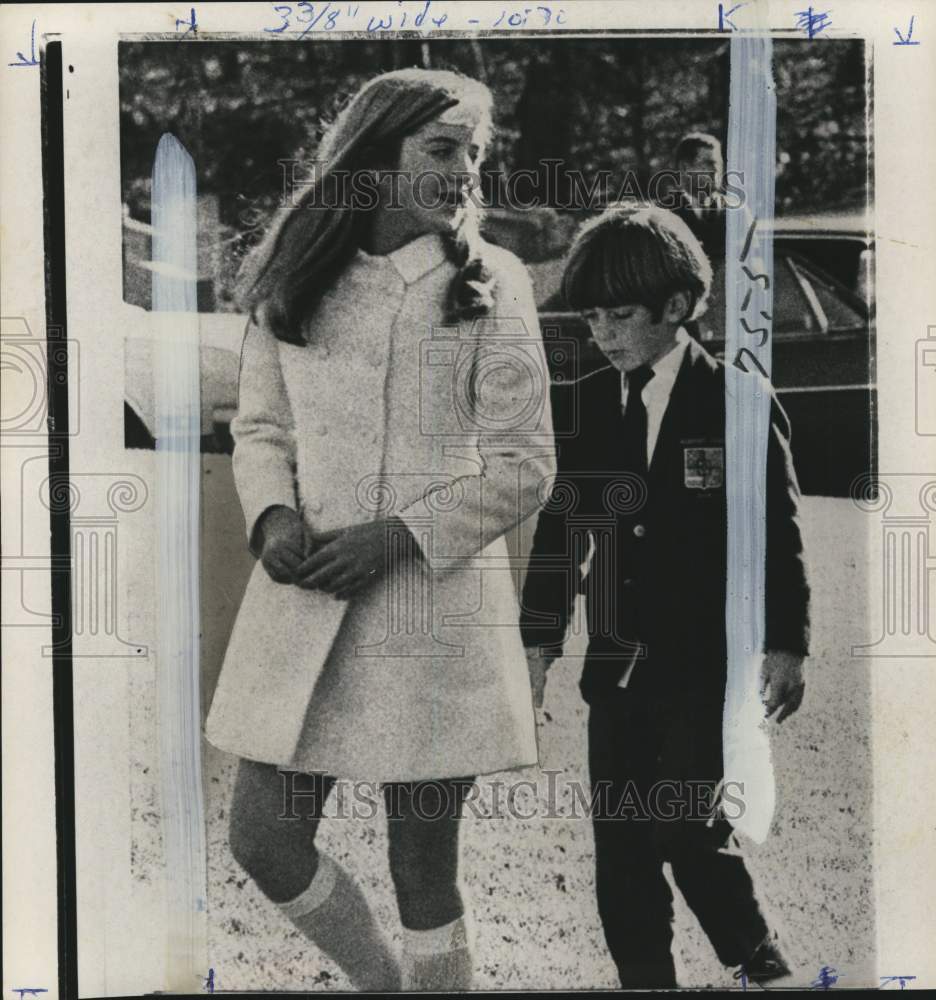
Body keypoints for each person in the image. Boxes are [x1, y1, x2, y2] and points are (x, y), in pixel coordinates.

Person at [204, 67, 556, 992]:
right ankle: (384, 985)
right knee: (263, 837)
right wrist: (272, 513)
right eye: (441, 150)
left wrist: (397, 537)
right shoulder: (295, 274)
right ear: (372, 155)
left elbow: (526, 466)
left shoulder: (493, 284)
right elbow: (260, 430)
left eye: (476, 155)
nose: (465, 173)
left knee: (422, 867)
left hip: (431, 613)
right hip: (304, 600)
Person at [520, 204, 810, 989]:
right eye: (590, 315)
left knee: (683, 825)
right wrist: (539, 644)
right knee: (619, 847)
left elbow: (775, 531)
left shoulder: (738, 403)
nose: (603, 332)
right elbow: (561, 536)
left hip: (703, 668)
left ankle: (758, 957)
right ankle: (646, 978)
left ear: (677, 308)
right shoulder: (580, 404)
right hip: (615, 668)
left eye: (620, 314)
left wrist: (787, 643)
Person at [667, 131, 727, 260]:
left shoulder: (736, 212)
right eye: (708, 163)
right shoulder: (663, 214)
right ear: (685, 167)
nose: (716, 171)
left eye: (719, 164)